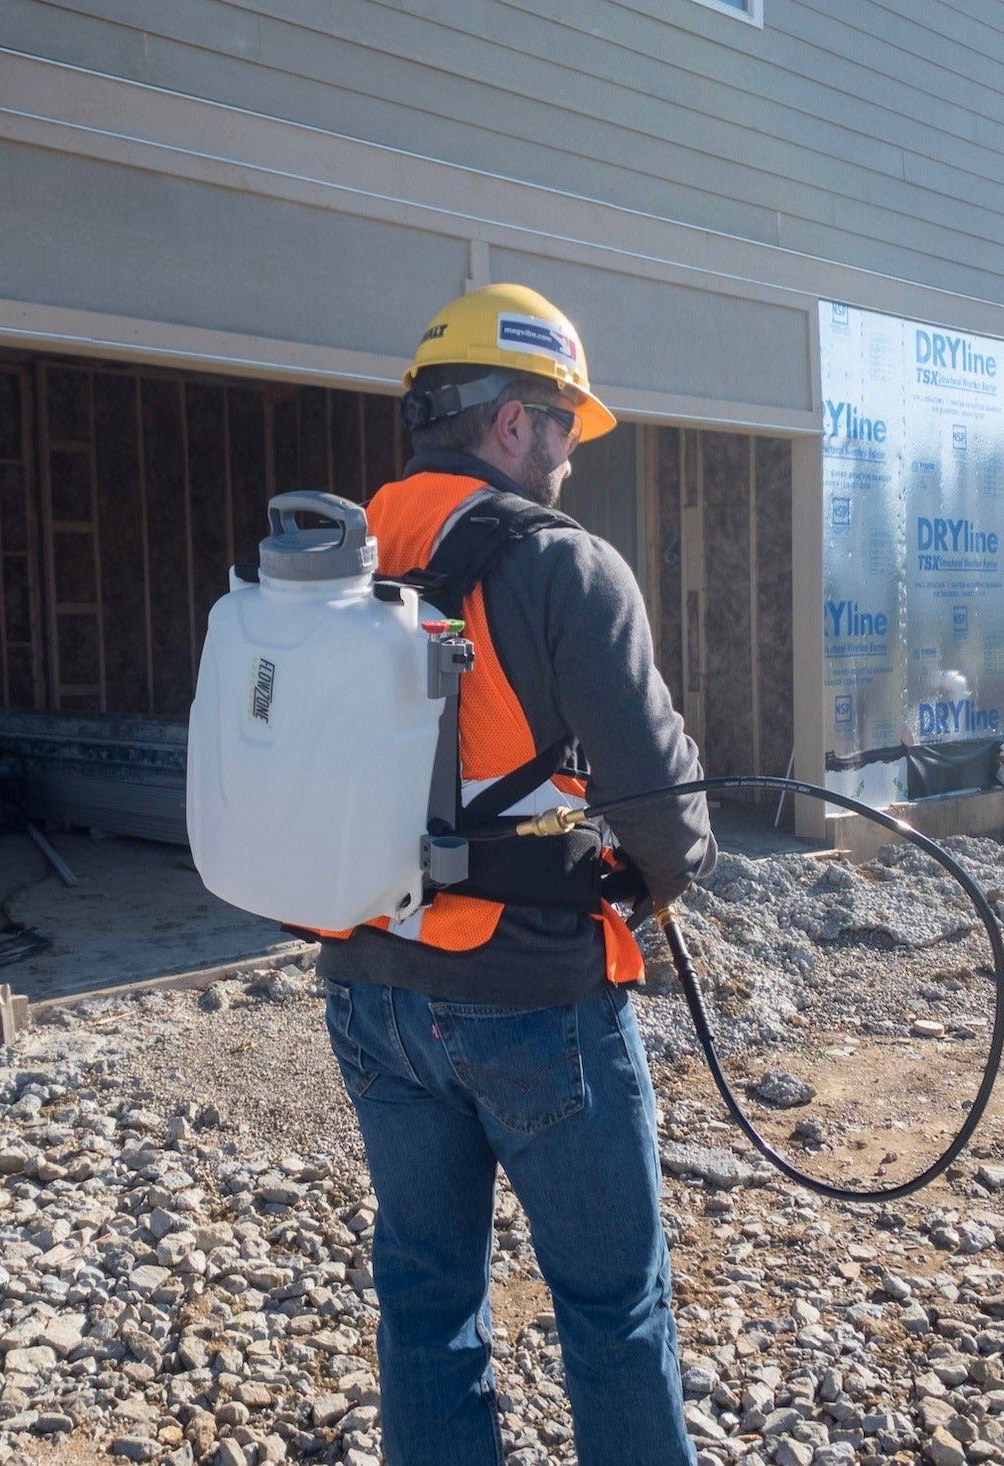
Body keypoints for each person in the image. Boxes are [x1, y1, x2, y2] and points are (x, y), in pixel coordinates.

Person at [318, 282, 716, 1466]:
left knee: (428, 1305)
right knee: (610, 1308)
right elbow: (663, 812)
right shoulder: (563, 565)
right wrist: (657, 871)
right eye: (562, 426)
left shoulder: (328, 554)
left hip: (367, 987)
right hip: (533, 997)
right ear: (508, 422)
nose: (568, 457)